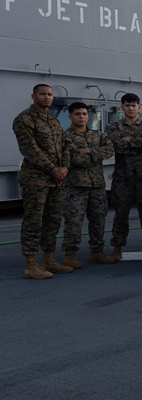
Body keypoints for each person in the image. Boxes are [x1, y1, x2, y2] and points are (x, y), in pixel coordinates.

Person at [14, 84, 70, 279]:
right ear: (33, 96)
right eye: (42, 94)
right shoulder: (24, 119)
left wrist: (65, 167)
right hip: (36, 179)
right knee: (34, 221)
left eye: (50, 95)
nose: (47, 97)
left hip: (57, 180)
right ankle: (31, 264)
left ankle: (49, 259)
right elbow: (30, 149)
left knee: (53, 220)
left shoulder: (53, 121)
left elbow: (65, 146)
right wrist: (53, 169)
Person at [61, 102, 116, 266]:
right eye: (78, 114)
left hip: (97, 185)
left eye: (84, 114)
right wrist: (95, 154)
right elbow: (72, 158)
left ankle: (97, 252)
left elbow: (110, 150)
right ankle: (70, 254)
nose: (82, 117)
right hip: (75, 186)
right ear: (70, 116)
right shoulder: (65, 137)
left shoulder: (97, 135)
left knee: (98, 219)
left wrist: (90, 151)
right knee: (74, 221)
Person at [105, 93, 142, 261]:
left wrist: (129, 140)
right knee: (120, 213)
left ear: (139, 107)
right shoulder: (112, 127)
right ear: (122, 107)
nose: (131, 108)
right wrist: (138, 142)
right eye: (127, 105)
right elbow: (113, 145)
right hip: (122, 177)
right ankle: (117, 247)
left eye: (134, 105)